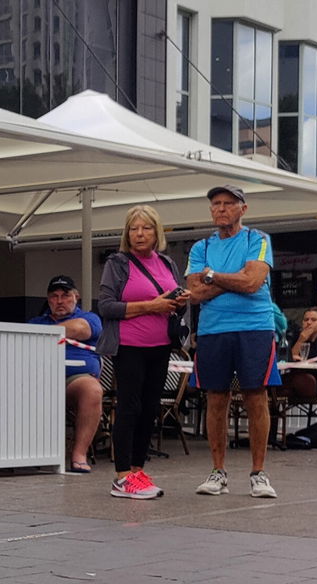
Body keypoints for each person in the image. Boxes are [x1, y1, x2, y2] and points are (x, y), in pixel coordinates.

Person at [185, 185, 280, 499]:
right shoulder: (200, 247)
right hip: (213, 329)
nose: (221, 209)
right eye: (215, 204)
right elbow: (194, 293)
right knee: (216, 399)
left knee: (256, 397)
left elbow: (253, 283)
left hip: (254, 327)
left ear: (243, 209)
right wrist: (231, 277)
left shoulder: (258, 239)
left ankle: (258, 473)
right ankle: (217, 471)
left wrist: (212, 276)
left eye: (228, 203)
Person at [96, 205, 184, 499]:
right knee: (129, 408)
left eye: (146, 228)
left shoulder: (167, 263)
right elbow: (106, 306)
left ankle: (137, 470)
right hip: (130, 346)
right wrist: (151, 306)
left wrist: (178, 302)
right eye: (134, 228)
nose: (139, 234)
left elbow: (169, 298)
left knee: (150, 409)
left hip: (161, 347)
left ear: (156, 231)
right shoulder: (118, 263)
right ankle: (122, 476)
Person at [29, 275, 105, 474]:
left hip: (73, 379)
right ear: (48, 300)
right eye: (54, 296)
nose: (60, 301)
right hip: (38, 380)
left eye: (65, 295)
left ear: (76, 297)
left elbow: (79, 329)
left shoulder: (90, 317)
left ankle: (79, 454)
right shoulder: (35, 321)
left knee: (92, 390)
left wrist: (41, 333)